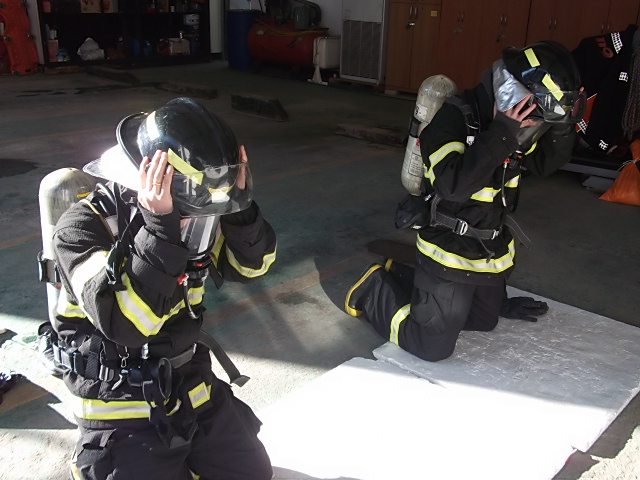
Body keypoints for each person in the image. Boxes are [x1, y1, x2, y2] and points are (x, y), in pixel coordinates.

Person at [49, 97, 277, 479]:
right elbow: (126, 325)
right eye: (188, 211)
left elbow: (253, 266)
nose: (196, 221)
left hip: (188, 378)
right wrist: (160, 229)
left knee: (252, 473)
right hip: (120, 396)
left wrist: (239, 209)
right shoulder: (81, 229)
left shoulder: (198, 211)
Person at [345, 40, 585, 362]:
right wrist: (502, 132)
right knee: (431, 346)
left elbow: (543, 164)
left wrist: (563, 125)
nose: (536, 120)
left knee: (483, 321)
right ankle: (374, 288)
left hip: (488, 248)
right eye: (538, 110)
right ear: (512, 92)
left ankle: (404, 276)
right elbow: (453, 187)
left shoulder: (518, 123)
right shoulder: (453, 120)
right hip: (449, 248)